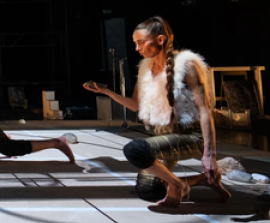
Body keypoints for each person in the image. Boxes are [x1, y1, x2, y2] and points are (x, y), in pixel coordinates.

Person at [84, 16, 230, 207]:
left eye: (141, 42)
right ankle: (202, 180)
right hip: (164, 136)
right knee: (148, 190)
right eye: (135, 43)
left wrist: (209, 154)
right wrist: (106, 92)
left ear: (160, 40)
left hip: (191, 136)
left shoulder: (187, 65)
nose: (137, 48)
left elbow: (205, 110)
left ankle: (178, 185)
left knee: (135, 149)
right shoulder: (145, 69)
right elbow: (135, 105)